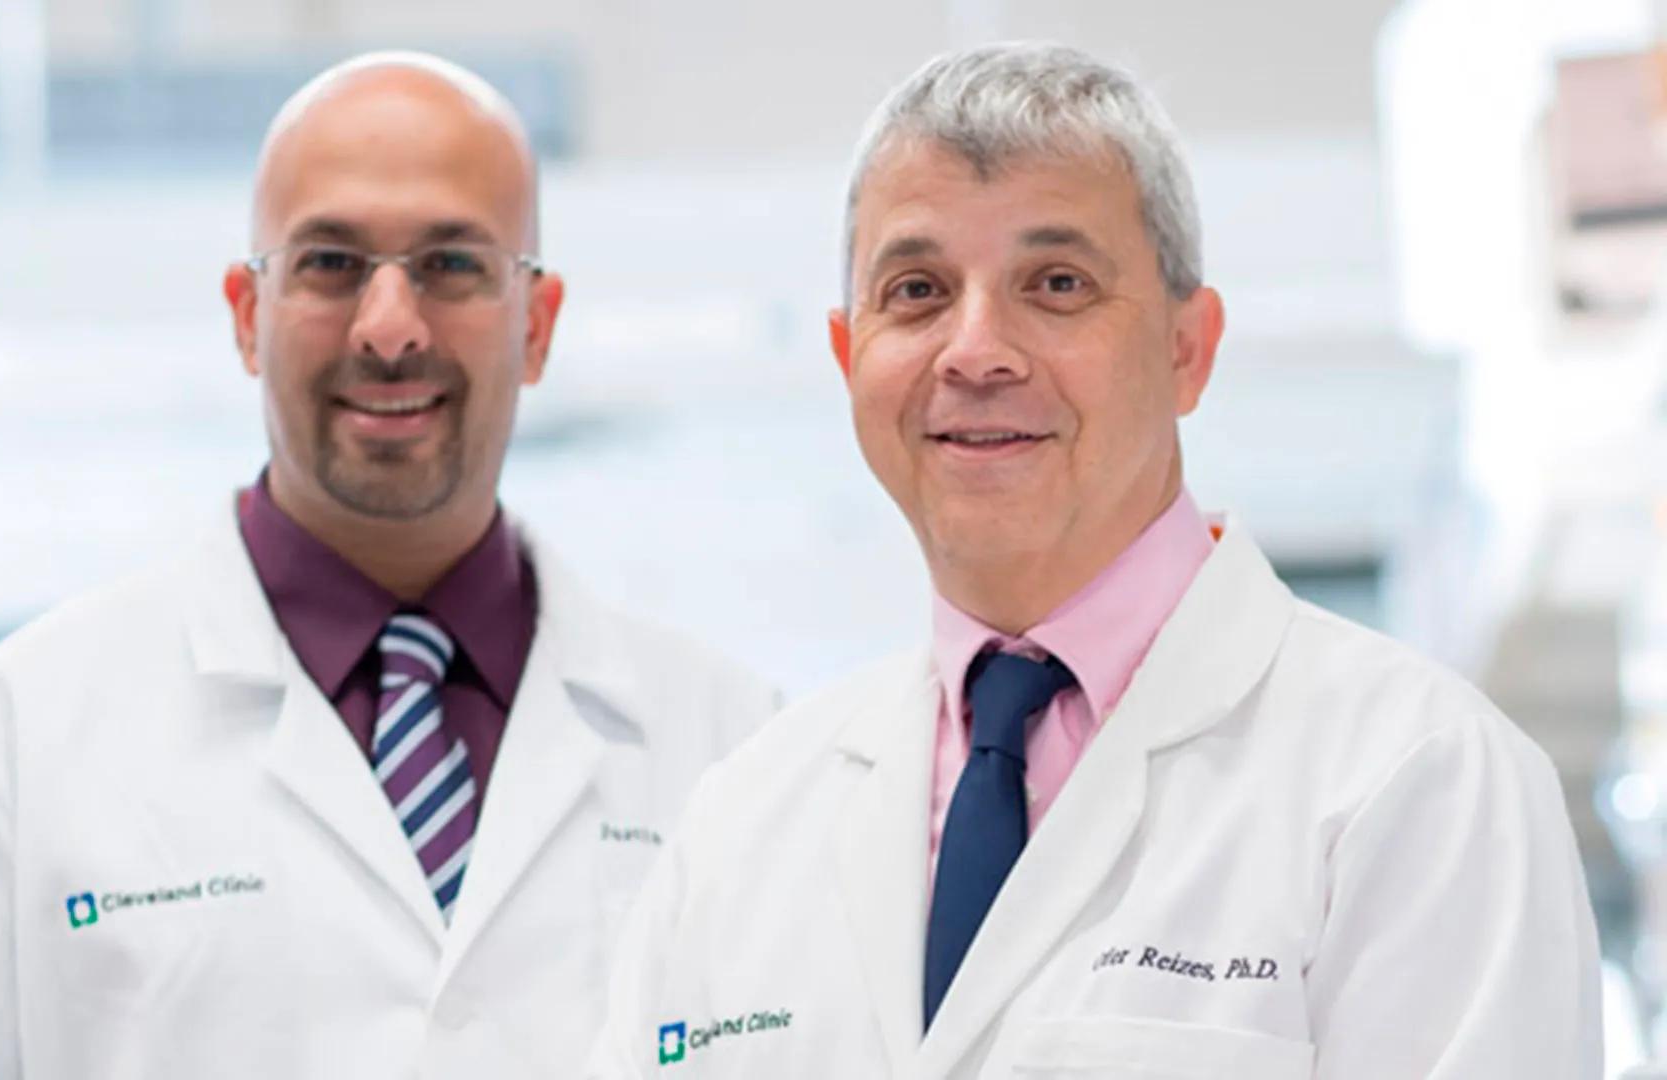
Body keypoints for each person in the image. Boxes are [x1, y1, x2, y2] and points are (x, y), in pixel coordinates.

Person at [589, 42, 1600, 1079]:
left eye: (1058, 284)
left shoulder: (1417, 779)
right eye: (918, 289)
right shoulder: (739, 826)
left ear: (1187, 348)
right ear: (852, 359)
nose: (975, 350)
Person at [0, 52, 777, 1079]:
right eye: (331, 262)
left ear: (536, 325)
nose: (390, 328)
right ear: (246, 314)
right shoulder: (15, 746)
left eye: (452, 264)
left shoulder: (735, 749)